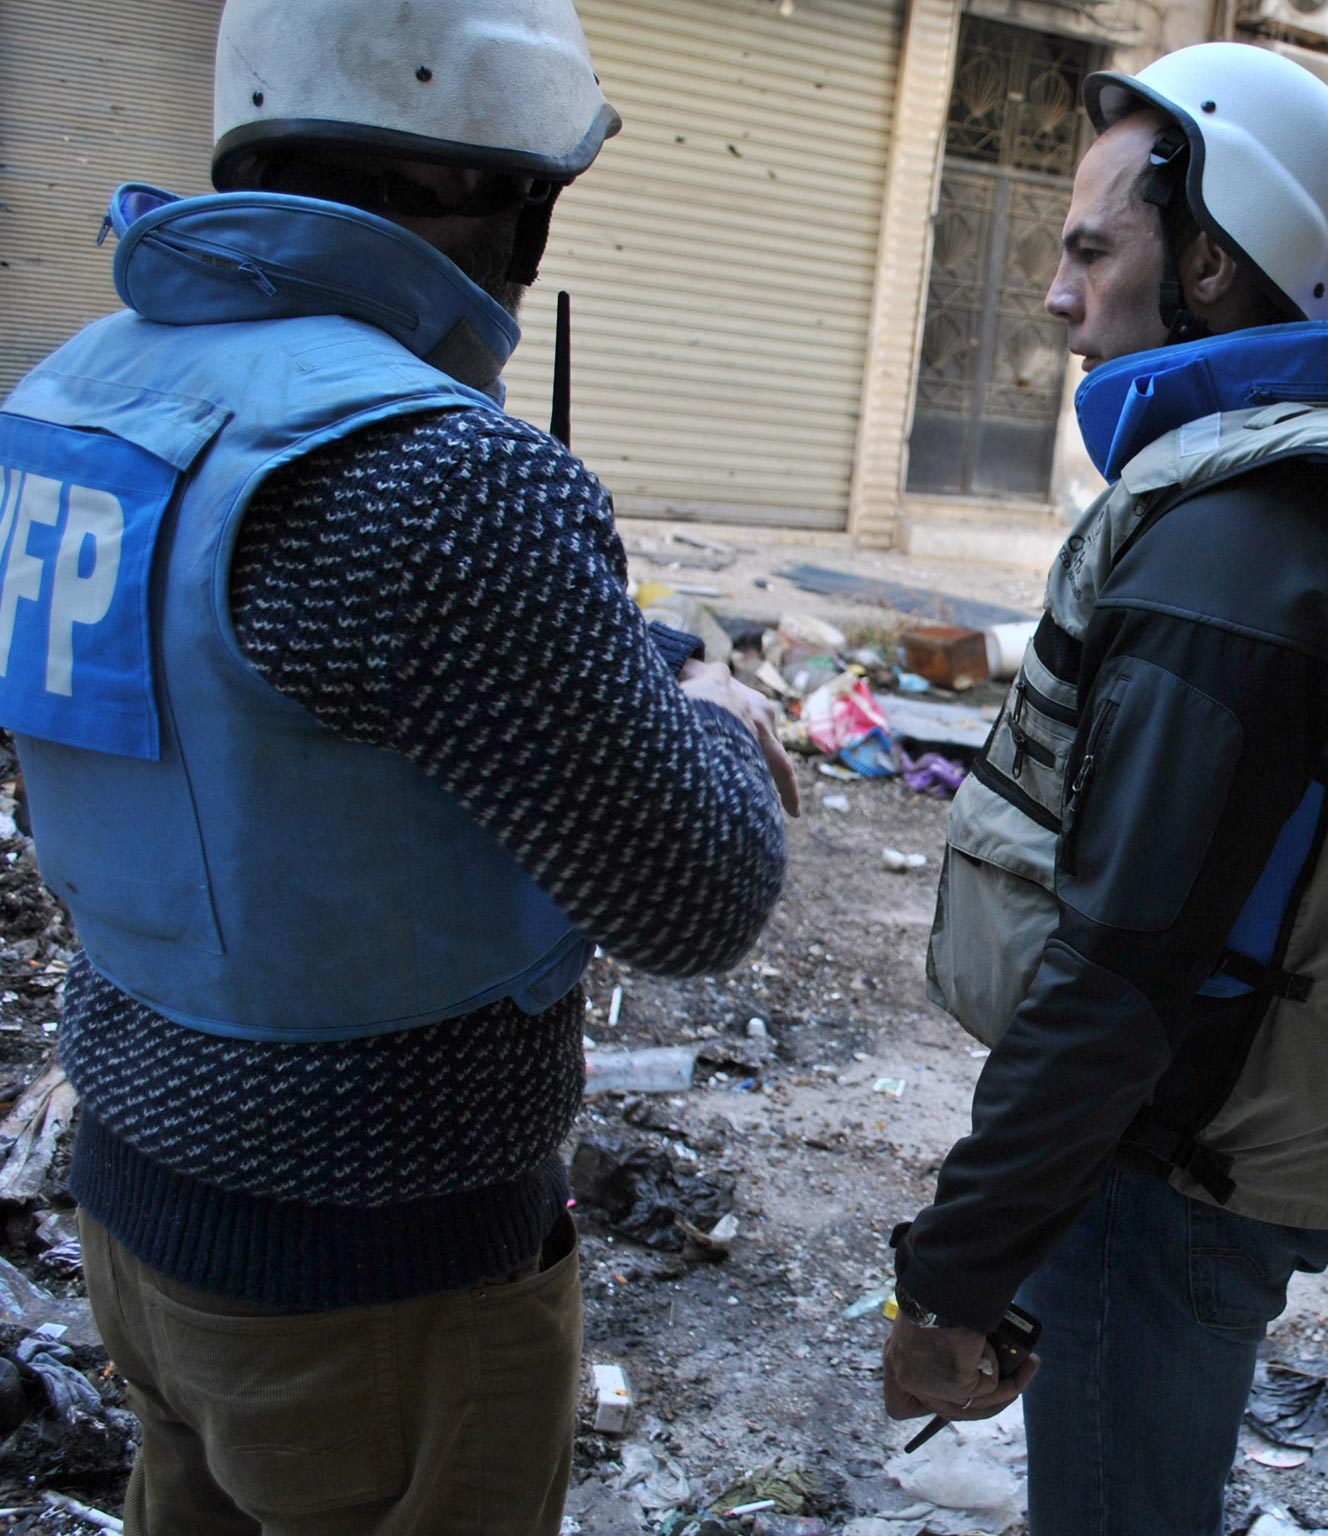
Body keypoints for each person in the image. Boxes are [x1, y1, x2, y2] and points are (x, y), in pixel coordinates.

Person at [0, 2, 796, 1531]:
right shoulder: (442, 483)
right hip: (378, 1275)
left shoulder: (65, 402)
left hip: (135, 1211)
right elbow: (698, 902)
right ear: (507, 195)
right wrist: (717, 716)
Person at [881, 42, 1328, 1535]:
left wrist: (951, 1278)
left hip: (1161, 1174)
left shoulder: (1247, 541)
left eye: (1093, 248)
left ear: (1217, 261)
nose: (1054, 292)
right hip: (1201, 1151)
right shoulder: (1300, 496)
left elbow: (1122, 962)